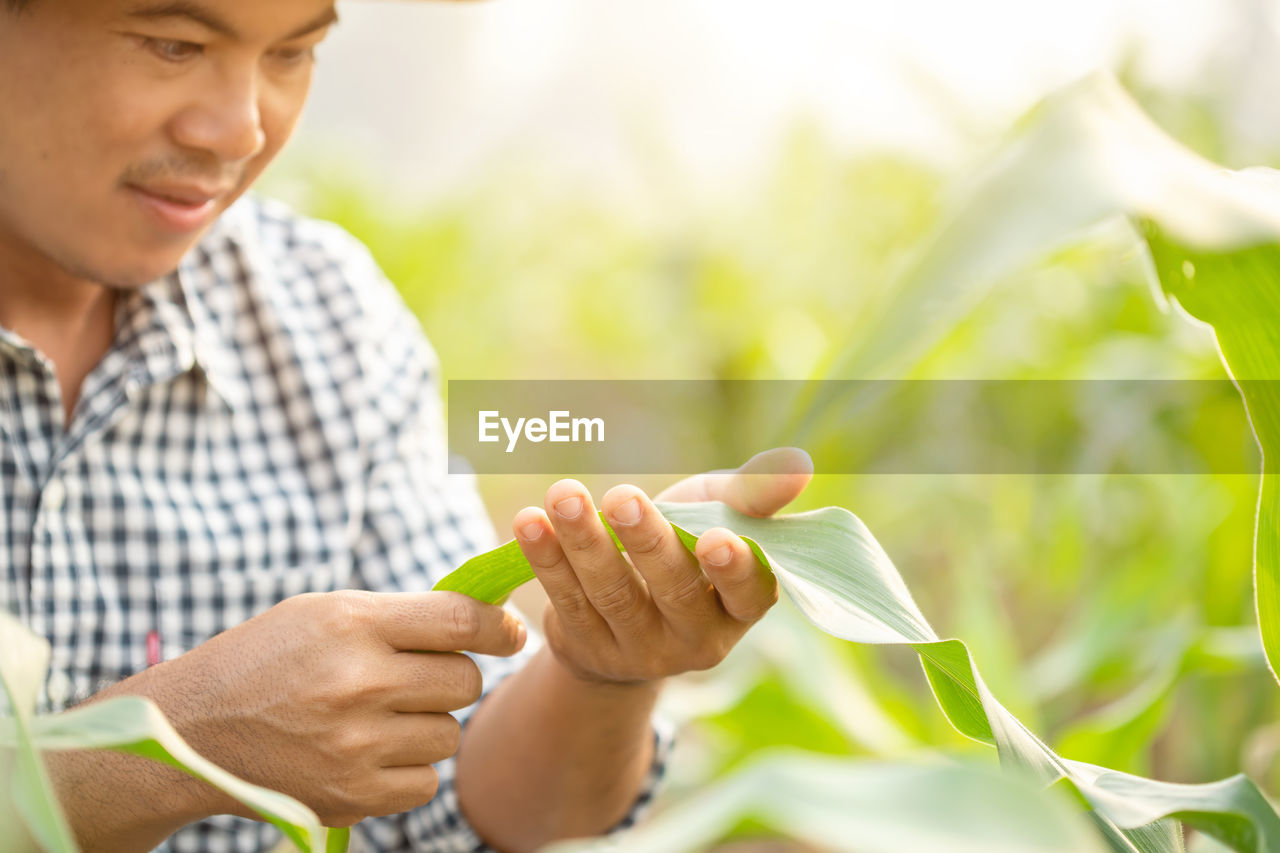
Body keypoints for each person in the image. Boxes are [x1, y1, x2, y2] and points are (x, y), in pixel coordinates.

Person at [0, 1, 813, 851]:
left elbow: (453, 796)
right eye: (175, 45)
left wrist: (603, 673)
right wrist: (173, 747)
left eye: (293, 52)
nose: (240, 130)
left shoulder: (329, 316)